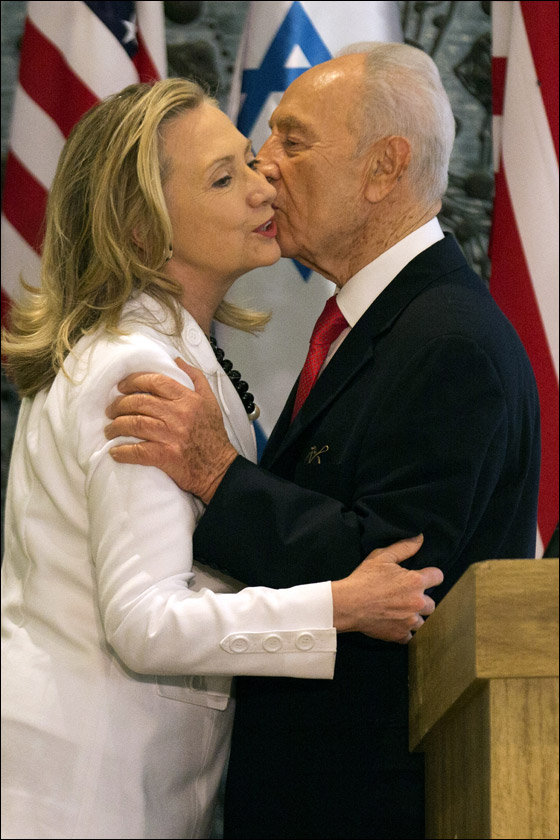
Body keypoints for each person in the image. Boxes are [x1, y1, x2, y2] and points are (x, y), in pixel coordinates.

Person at [104, 44, 541, 840]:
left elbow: (399, 576)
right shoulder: (384, 319)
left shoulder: (449, 343)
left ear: (383, 169)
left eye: (294, 140)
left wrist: (220, 474)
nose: (265, 164)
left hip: (370, 803)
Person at [0, 77, 445, 840]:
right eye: (222, 177)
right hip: (83, 794)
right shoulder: (135, 368)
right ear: (143, 228)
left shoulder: (175, 352)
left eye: (248, 159)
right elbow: (146, 624)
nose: (263, 184)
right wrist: (340, 605)